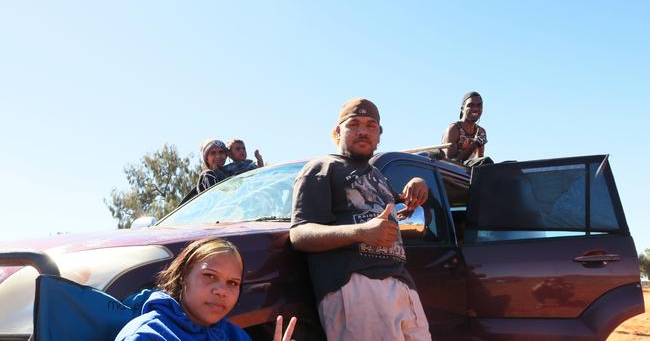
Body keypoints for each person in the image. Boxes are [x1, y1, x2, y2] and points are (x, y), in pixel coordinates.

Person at [289, 98, 432, 341]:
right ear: (337, 132)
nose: (363, 131)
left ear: (379, 134)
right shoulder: (322, 167)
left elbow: (397, 213)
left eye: (371, 125)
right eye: (353, 124)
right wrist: (360, 232)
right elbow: (300, 233)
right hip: (356, 286)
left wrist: (418, 185)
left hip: (401, 286)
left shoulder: (377, 176)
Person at [115, 237, 297, 341]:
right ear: (183, 275)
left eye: (232, 283)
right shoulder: (147, 336)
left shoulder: (236, 336)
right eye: (209, 276)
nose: (222, 291)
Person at [442, 91, 492, 166]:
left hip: (469, 173)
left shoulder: (481, 131)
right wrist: (474, 145)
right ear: (462, 108)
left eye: (479, 105)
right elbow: (450, 162)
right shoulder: (454, 129)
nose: (475, 109)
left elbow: (480, 160)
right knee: (486, 161)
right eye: (470, 105)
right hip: (451, 172)